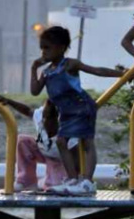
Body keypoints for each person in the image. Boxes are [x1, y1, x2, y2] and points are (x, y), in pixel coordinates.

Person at [30, 26, 125, 196]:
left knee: (86, 142)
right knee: (61, 142)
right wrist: (33, 69)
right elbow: (35, 91)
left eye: (47, 47)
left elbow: (96, 70)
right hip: (66, 113)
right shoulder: (47, 72)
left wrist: (121, 74)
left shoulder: (69, 64)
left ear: (61, 47)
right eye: (42, 48)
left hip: (82, 107)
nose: (43, 52)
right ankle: (73, 179)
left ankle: (87, 181)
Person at [0, 95, 77, 192]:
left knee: (52, 186)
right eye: (44, 119)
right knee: (23, 141)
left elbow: (76, 157)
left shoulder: (69, 131)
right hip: (43, 150)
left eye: (50, 120)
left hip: (61, 160)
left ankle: (48, 180)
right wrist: (9, 102)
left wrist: (76, 177)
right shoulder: (41, 116)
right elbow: (28, 110)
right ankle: (26, 181)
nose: (46, 123)